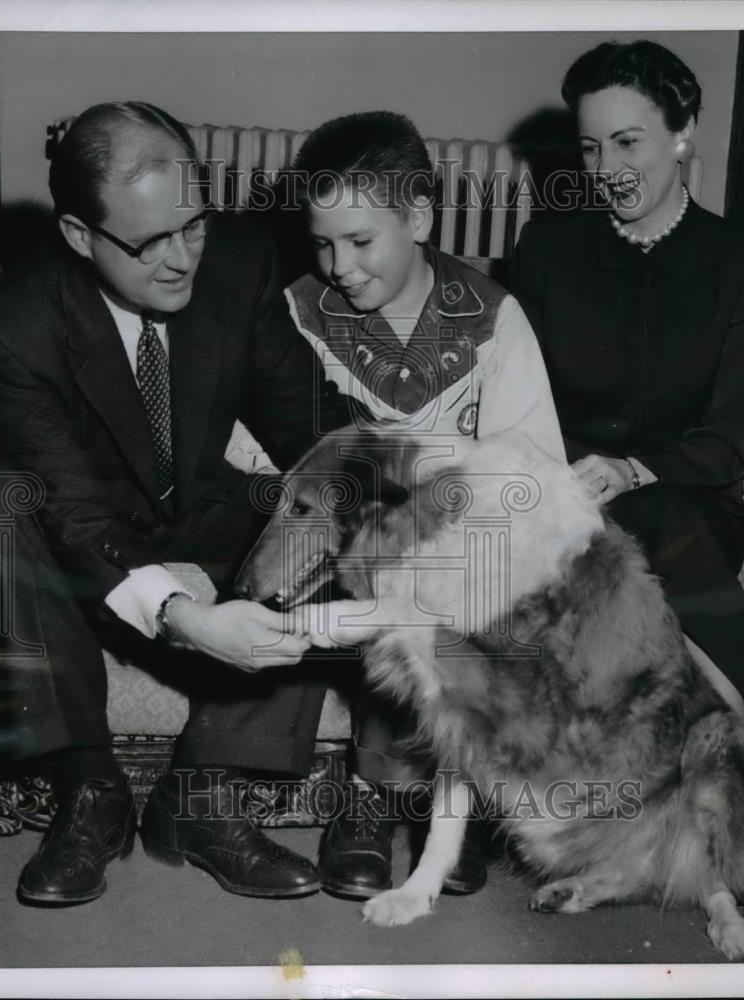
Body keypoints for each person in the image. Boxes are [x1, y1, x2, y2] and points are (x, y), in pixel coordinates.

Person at [0, 102, 351, 907]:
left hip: (188, 502)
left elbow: (309, 420)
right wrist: (187, 615)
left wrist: (401, 485)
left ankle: (201, 795)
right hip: (69, 537)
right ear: (81, 236)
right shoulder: (5, 331)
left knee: (337, 496)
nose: (181, 258)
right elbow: (75, 515)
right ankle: (89, 786)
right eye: (147, 241)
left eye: (190, 225)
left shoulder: (242, 261)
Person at [285, 110, 567, 900]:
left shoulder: (491, 318)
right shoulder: (303, 313)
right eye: (322, 242)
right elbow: (270, 444)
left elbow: (531, 463)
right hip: (348, 529)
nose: (338, 265)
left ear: (417, 217)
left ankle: (457, 799)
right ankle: (372, 797)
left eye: (360, 240)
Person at [512, 40, 744, 700]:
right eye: (590, 147)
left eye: (628, 142)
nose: (607, 168)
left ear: (684, 133)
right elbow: (519, 403)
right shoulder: (548, 249)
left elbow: (728, 437)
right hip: (565, 492)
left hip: (688, 499)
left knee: (670, 528)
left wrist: (633, 470)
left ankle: (719, 761)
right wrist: (573, 477)